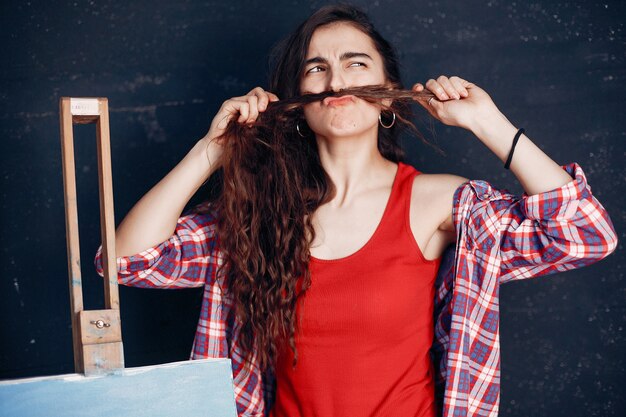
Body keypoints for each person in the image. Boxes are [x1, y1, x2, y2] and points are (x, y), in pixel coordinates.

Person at [94, 4, 617, 417]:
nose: (336, 79)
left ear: (386, 96)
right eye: (316, 67)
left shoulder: (439, 203)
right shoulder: (262, 214)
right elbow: (124, 261)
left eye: (355, 63)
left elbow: (584, 233)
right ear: (298, 98)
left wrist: (489, 123)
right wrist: (212, 150)